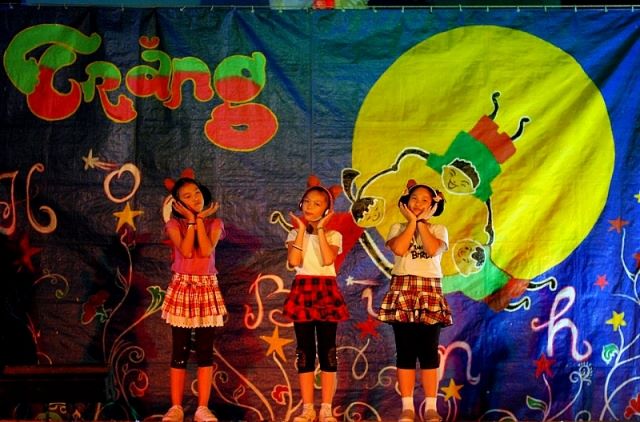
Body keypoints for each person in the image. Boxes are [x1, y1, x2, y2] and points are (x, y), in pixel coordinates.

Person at [378, 180, 453, 422]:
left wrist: (421, 223)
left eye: (424, 200)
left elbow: (432, 250)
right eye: (414, 199)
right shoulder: (397, 227)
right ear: (405, 202)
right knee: (406, 352)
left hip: (429, 292)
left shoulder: (439, 229)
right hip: (403, 291)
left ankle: (431, 407)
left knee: (429, 352)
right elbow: (400, 249)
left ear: (433, 205)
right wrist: (412, 222)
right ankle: (407, 407)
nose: (418, 204)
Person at [283, 177, 349, 422]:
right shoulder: (294, 233)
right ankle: (308, 408)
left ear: (327, 209)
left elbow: (327, 259)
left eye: (317, 203)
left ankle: (326, 409)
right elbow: (294, 262)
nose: (310, 207)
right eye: (307, 202)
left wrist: (320, 229)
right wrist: (301, 231)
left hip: (325, 289)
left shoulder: (333, 235)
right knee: (304, 351)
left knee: (328, 351)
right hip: (303, 288)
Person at [161, 177, 227, 422]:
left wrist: (199, 220)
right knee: (179, 350)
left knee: (205, 351)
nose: (194, 198)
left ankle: (202, 408)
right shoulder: (173, 224)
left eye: (196, 192)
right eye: (187, 196)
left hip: (206, 286)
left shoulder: (215, 223)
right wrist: (191, 220)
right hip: (183, 285)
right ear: (177, 203)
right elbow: (187, 251)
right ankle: (176, 407)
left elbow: (207, 250)